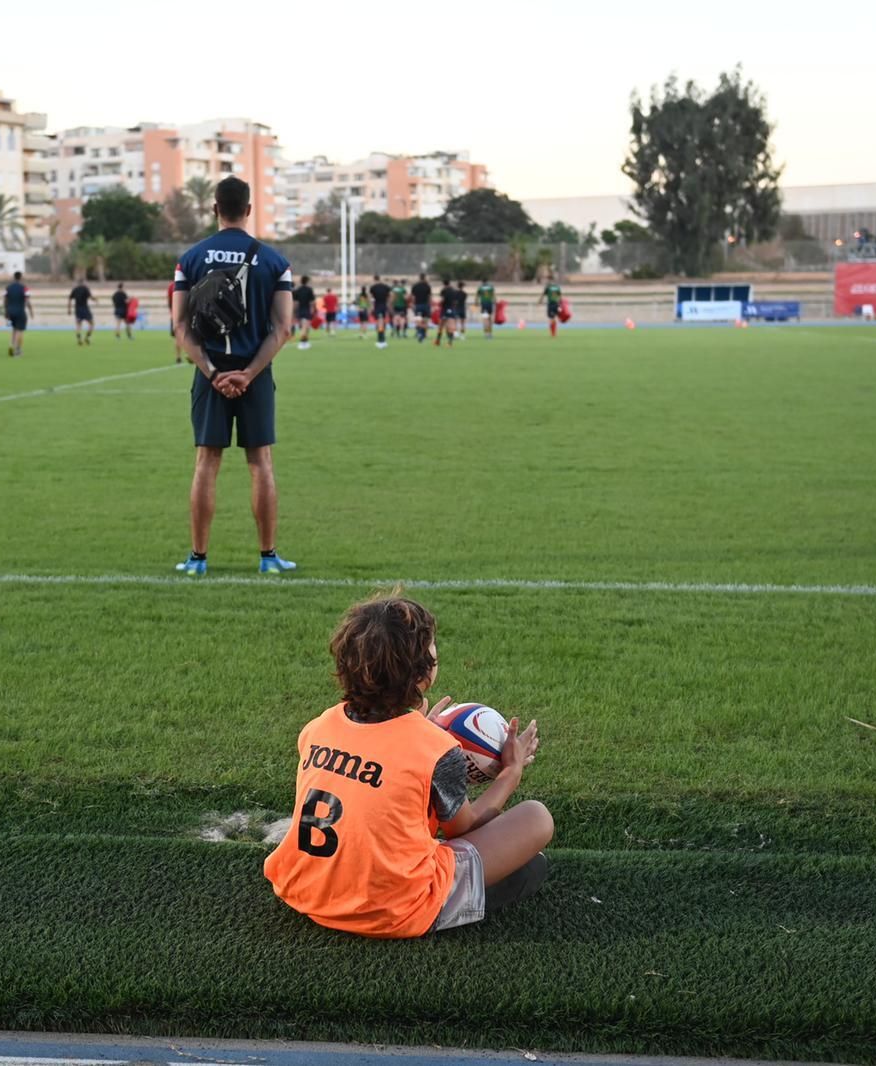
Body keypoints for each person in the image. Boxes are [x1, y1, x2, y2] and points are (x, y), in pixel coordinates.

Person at [263, 593, 553, 938]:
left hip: (303, 891)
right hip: (391, 911)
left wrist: (418, 734)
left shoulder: (318, 727)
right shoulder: (433, 748)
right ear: (423, 676)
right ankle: (445, 903)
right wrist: (510, 773)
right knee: (536, 821)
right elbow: (464, 828)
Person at [170, 174, 297, 577]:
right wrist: (249, 373)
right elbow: (283, 328)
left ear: (214, 209)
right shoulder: (275, 262)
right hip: (255, 376)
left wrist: (211, 373)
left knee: (207, 461)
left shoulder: (190, 259)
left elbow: (180, 326)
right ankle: (268, 557)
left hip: (210, 376)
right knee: (260, 461)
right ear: (248, 209)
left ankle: (198, 559)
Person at [4, 271, 34, 357]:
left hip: (10, 312)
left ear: (14, 277)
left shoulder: (8, 288)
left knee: (13, 329)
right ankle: (17, 349)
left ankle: (10, 345)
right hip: (20, 311)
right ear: (21, 278)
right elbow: (27, 301)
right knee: (19, 330)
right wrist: (31, 311)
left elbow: (5, 300)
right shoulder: (24, 288)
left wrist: (6, 311)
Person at [68, 277, 96, 346]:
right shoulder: (85, 288)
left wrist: (69, 309)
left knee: (78, 325)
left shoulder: (75, 289)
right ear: (83, 282)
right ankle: (87, 337)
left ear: (78, 283)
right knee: (92, 323)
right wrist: (95, 299)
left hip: (77, 309)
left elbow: (69, 299)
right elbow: (91, 297)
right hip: (85, 308)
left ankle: (79, 339)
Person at [293, 275, 316, 350]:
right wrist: (312, 310)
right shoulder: (309, 290)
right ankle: (302, 343)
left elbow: (296, 302)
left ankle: (305, 342)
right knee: (304, 327)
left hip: (300, 310)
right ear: (307, 281)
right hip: (306, 310)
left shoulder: (297, 290)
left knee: (305, 327)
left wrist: (294, 311)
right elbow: (312, 302)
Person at [369, 275, 392, 349]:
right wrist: (388, 304)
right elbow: (390, 296)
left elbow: (371, 298)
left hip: (377, 306)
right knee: (382, 322)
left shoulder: (373, 288)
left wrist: (371, 307)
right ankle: (382, 339)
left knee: (380, 322)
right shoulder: (386, 287)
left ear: (374, 279)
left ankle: (381, 340)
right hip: (384, 305)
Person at [434, 279, 458, 348]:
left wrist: (437, 304)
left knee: (441, 325)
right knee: (451, 325)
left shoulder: (444, 290)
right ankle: (449, 343)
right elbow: (456, 302)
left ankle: (438, 341)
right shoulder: (454, 291)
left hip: (445, 309)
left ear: (444, 284)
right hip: (452, 309)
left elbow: (442, 299)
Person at [411, 274, 431, 343]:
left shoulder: (415, 286)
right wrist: (429, 304)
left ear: (419, 278)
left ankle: (419, 333)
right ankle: (423, 334)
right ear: (424, 278)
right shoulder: (427, 286)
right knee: (425, 320)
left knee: (418, 320)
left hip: (418, 305)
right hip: (425, 305)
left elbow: (413, 297)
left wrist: (413, 304)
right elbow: (429, 297)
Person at [168, 278, 182, 363]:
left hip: (175, 314)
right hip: (186, 313)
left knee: (177, 337)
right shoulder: (189, 282)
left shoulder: (171, 286)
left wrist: (172, 311)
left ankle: (178, 356)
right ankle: (191, 356)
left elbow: (169, 301)